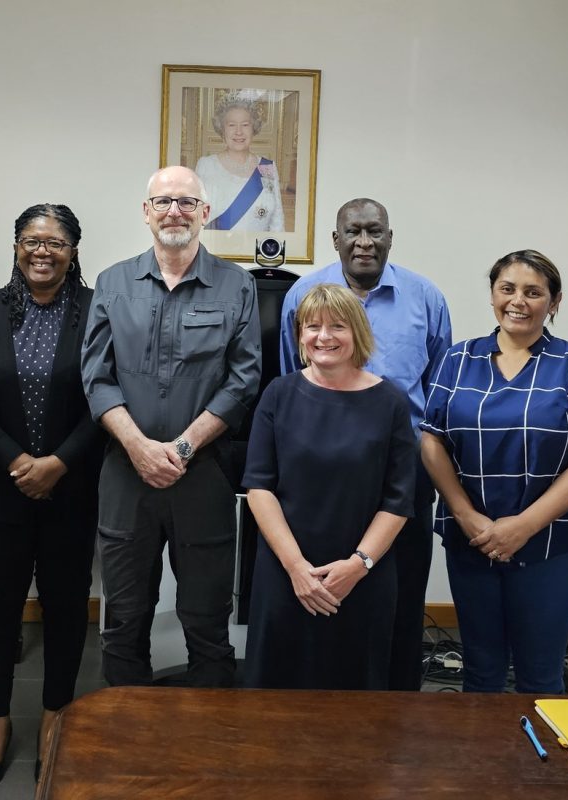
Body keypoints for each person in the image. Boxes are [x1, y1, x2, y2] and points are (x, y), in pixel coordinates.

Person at [81, 165, 261, 688]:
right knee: (124, 621)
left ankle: (208, 750)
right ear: (146, 212)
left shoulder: (238, 286)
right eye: (163, 202)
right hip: (125, 476)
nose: (174, 212)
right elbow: (96, 376)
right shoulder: (113, 282)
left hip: (202, 477)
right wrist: (138, 447)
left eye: (186, 202)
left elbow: (243, 380)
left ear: (205, 213)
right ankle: (129, 748)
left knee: (207, 622)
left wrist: (182, 448)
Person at [0, 203, 102, 791]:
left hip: (73, 489)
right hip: (1, 490)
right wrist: (20, 463)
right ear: (16, 246)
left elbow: (105, 395)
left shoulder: (95, 312)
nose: (43, 251)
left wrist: (58, 463)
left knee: (66, 608)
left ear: (73, 250)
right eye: (32, 240)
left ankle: (54, 717)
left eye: (56, 242)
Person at [419, 250, 568, 694]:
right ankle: (484, 764)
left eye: (533, 292)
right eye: (507, 289)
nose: (518, 301)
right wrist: (467, 516)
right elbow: (432, 441)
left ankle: (540, 765)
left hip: (551, 542)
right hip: (472, 539)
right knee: (481, 672)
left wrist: (523, 526)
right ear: (492, 295)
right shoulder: (459, 359)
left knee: (541, 675)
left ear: (554, 301)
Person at [279, 198, 451, 691]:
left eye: (375, 232)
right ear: (335, 240)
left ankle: (397, 697)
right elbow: (291, 377)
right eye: (352, 232)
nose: (364, 242)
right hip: (319, 472)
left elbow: (437, 388)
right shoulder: (303, 294)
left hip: (405, 470)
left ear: (390, 237)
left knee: (401, 586)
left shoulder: (425, 298)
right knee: (322, 582)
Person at [242, 284, 415, 689]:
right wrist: (297, 568)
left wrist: (357, 566)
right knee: (275, 699)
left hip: (362, 578)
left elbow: (399, 499)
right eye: (313, 326)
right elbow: (259, 487)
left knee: (355, 701)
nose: (324, 336)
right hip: (286, 574)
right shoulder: (278, 394)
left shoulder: (390, 402)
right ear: (300, 334)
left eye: (337, 326)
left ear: (357, 333)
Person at [195, 93, 285, 232]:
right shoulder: (206, 165)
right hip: (216, 250)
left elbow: (277, 220)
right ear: (222, 129)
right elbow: (196, 218)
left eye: (245, 125)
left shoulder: (266, 167)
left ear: (253, 128)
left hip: (256, 250)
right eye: (231, 125)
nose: (239, 132)